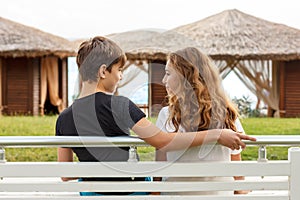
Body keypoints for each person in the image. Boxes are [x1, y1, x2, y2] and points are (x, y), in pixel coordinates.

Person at [56, 36, 256, 196]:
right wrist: (217, 134)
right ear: (103, 72)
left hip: (92, 193)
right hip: (130, 192)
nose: (121, 76)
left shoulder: (63, 118)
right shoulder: (120, 105)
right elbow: (162, 142)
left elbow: (65, 175)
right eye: (119, 70)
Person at [155, 47, 249, 195]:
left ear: (185, 76)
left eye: (168, 74)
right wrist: (241, 193)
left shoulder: (167, 115)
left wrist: (155, 194)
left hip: (177, 195)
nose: (163, 80)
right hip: (220, 195)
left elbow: (160, 165)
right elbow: (236, 164)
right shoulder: (225, 113)